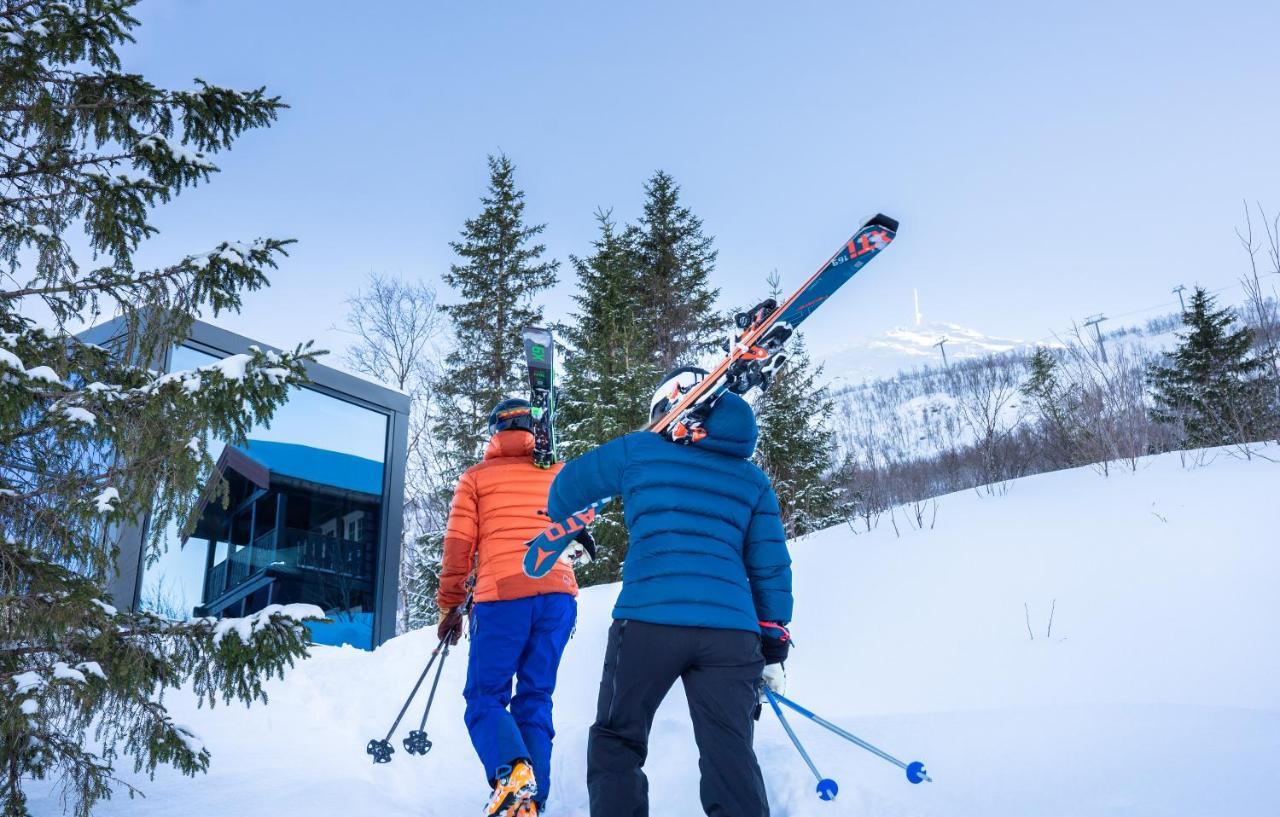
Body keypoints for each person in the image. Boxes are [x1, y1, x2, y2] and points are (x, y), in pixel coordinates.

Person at [546, 367, 794, 817]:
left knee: (618, 739)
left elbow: (565, 487)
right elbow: (769, 564)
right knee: (730, 753)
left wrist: (570, 533)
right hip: (730, 635)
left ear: (669, 407)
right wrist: (773, 642)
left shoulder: (638, 451)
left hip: (648, 621)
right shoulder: (752, 480)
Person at [437, 398, 579, 817]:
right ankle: (530, 802)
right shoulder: (559, 472)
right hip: (558, 595)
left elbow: (459, 547)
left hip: (503, 597)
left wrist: (450, 607)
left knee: (485, 696)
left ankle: (513, 771)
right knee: (535, 697)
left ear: (494, 433)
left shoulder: (477, 478)